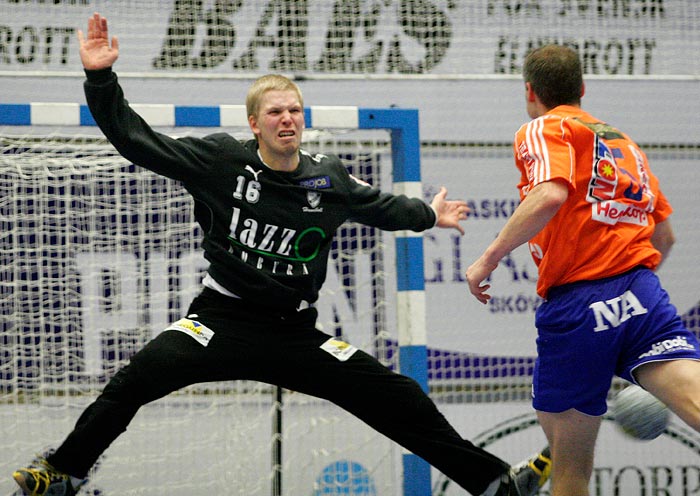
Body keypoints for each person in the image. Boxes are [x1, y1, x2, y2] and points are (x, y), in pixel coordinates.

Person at [13, 13, 551, 496]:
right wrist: (101, 79)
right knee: (135, 380)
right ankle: (64, 473)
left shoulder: (327, 176)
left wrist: (430, 215)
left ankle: (492, 483)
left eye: (295, 110)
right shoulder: (222, 160)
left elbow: (380, 207)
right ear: (255, 124)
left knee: (397, 395)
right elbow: (137, 140)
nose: (287, 119)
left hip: (293, 333)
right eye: (275, 112)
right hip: (218, 322)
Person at [466, 44, 700, 496]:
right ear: (582, 89)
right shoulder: (622, 142)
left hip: (580, 305)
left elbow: (550, 194)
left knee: (571, 469)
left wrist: (488, 258)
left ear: (530, 91)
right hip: (642, 295)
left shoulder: (542, 128)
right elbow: (664, 236)